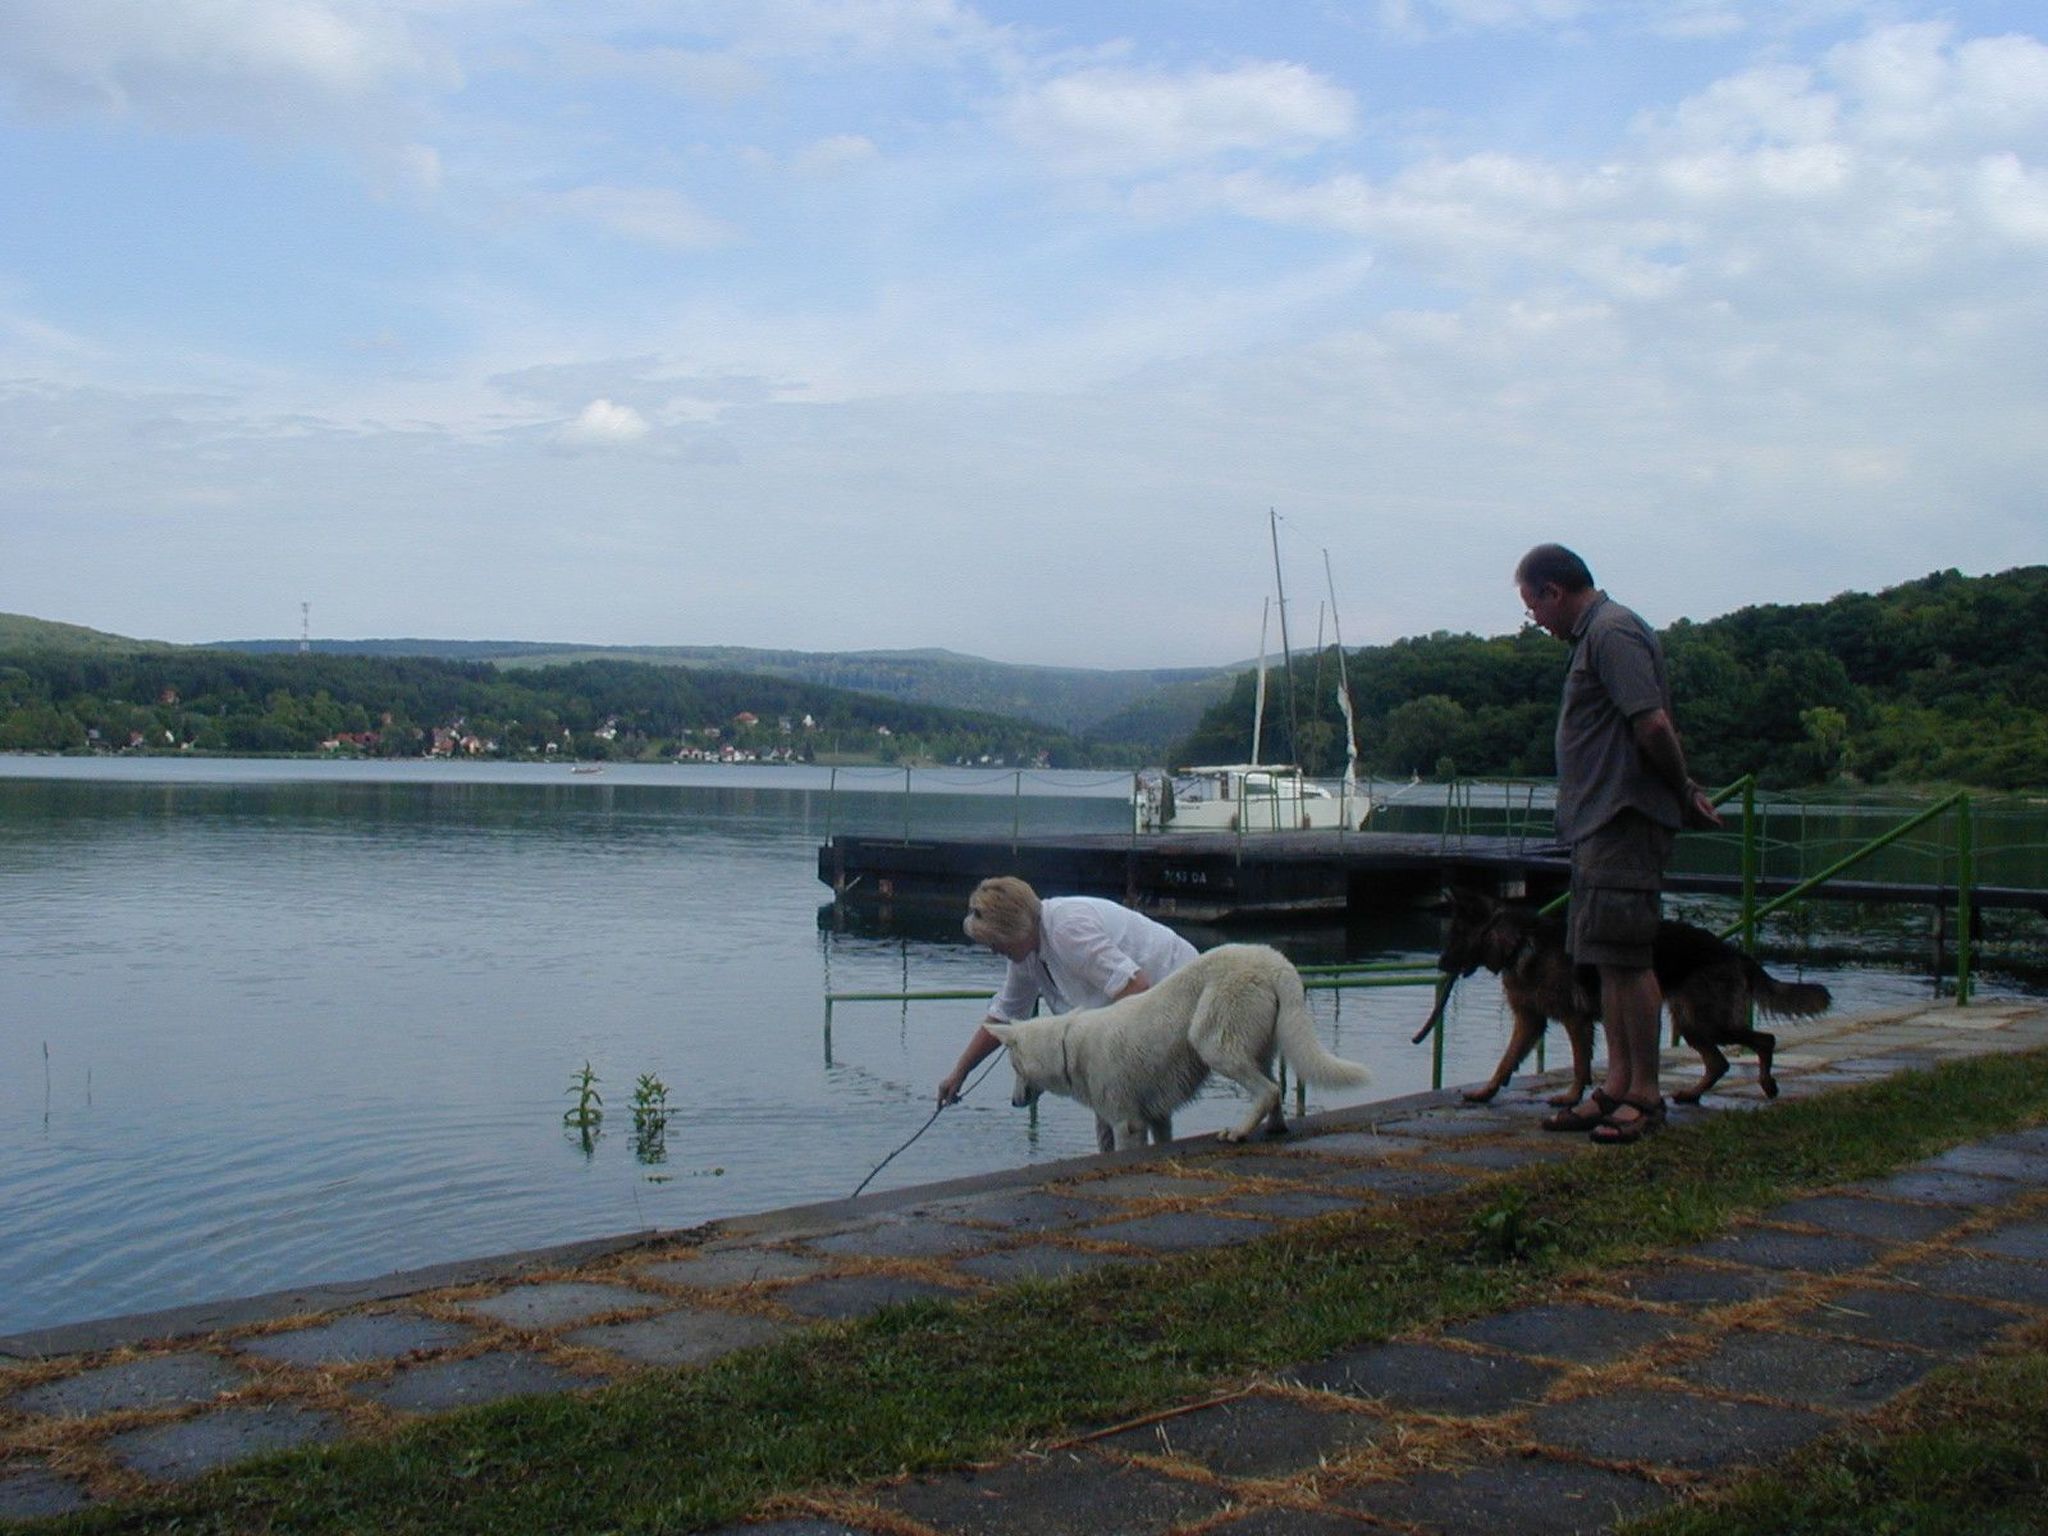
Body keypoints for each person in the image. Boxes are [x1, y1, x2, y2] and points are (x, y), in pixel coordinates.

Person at [1515, 543, 1722, 1144]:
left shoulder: (1613, 632)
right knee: (1607, 959)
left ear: (1555, 590)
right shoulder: (1594, 637)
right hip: (1599, 825)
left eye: (1534, 607)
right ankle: (1618, 1085)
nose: (1537, 621)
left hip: (1624, 819)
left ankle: (1645, 1096)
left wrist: (1680, 790)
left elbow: (1652, 722)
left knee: (1630, 963)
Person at [937, 876, 1198, 1150]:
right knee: (1109, 1097)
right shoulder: (1026, 953)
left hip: (1177, 992)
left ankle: (1123, 1172)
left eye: (994, 942)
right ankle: (1117, 1169)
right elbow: (1004, 1015)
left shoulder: (1067, 930)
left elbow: (1135, 987)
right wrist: (959, 1073)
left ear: (1014, 930)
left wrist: (1113, 1059)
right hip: (1126, 1011)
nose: (992, 951)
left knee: (1114, 1094)